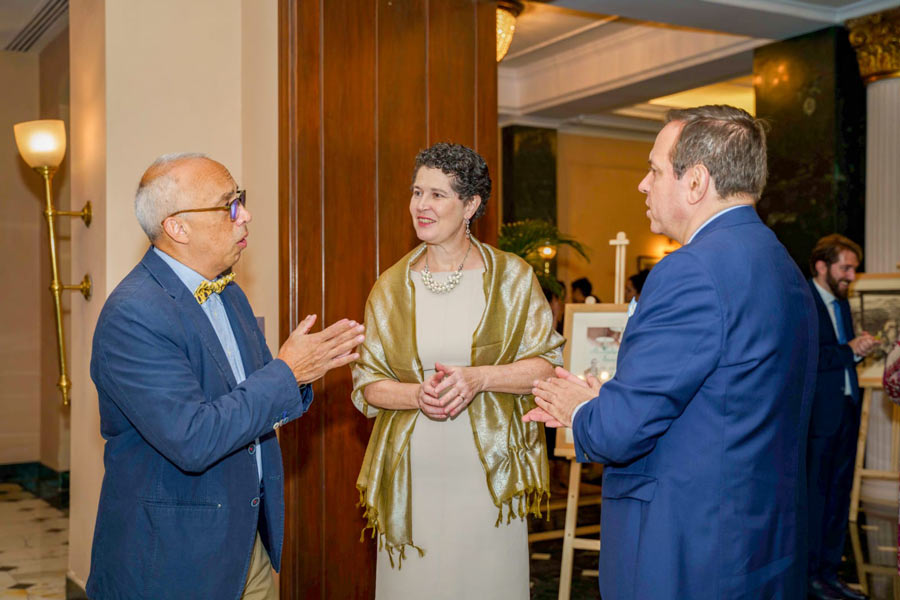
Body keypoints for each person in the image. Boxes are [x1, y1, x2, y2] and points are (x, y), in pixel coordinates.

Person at [523, 105, 818, 599]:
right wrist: (614, 398)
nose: (643, 184)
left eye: (655, 169)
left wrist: (584, 411)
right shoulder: (784, 266)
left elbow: (620, 432)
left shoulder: (690, 271)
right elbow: (723, 399)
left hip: (687, 550)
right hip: (761, 543)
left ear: (696, 181)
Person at [86, 154, 364, 600]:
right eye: (229, 205)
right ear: (178, 228)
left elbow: (253, 399)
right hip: (174, 559)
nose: (245, 215)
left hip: (244, 543)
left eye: (241, 200)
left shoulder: (227, 291)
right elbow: (193, 438)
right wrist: (288, 372)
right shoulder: (133, 314)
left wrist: (300, 373)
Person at [352, 143, 564, 599]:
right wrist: (415, 396)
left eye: (437, 195)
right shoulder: (390, 285)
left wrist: (479, 378)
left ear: (470, 205)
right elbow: (367, 383)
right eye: (416, 192)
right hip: (413, 476)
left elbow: (546, 366)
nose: (421, 206)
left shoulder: (513, 277)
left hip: (489, 476)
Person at [806, 234, 877, 600]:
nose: (852, 274)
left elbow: (838, 356)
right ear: (822, 266)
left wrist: (856, 350)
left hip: (846, 414)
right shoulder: (804, 302)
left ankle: (830, 575)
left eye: (853, 268)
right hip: (818, 422)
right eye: (845, 267)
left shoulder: (841, 304)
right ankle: (811, 579)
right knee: (816, 503)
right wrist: (848, 349)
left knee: (838, 501)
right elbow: (808, 359)